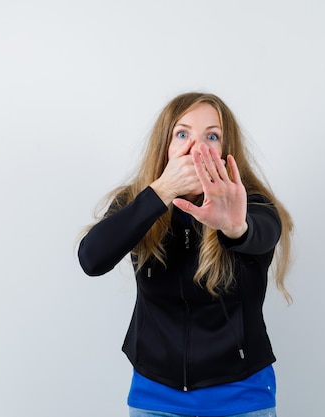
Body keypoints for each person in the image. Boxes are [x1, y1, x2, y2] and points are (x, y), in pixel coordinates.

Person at [78, 92, 293, 417]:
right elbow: (92, 259)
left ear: (226, 149)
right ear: (166, 145)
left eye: (212, 136)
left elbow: (262, 233)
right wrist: (161, 192)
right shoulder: (138, 201)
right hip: (155, 398)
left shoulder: (252, 203)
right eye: (183, 133)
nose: (197, 147)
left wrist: (236, 228)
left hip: (241, 397)